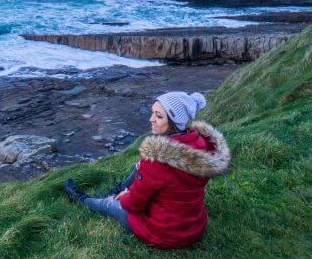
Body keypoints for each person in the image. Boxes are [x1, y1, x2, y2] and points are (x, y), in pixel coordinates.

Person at [64, 91, 231, 249]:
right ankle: (118, 188)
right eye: (153, 112)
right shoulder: (202, 146)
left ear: (174, 122)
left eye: (158, 116)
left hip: (163, 233)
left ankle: (82, 199)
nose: (151, 119)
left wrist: (124, 198)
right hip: (194, 227)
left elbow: (135, 204)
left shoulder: (156, 162)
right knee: (139, 166)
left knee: (111, 204)